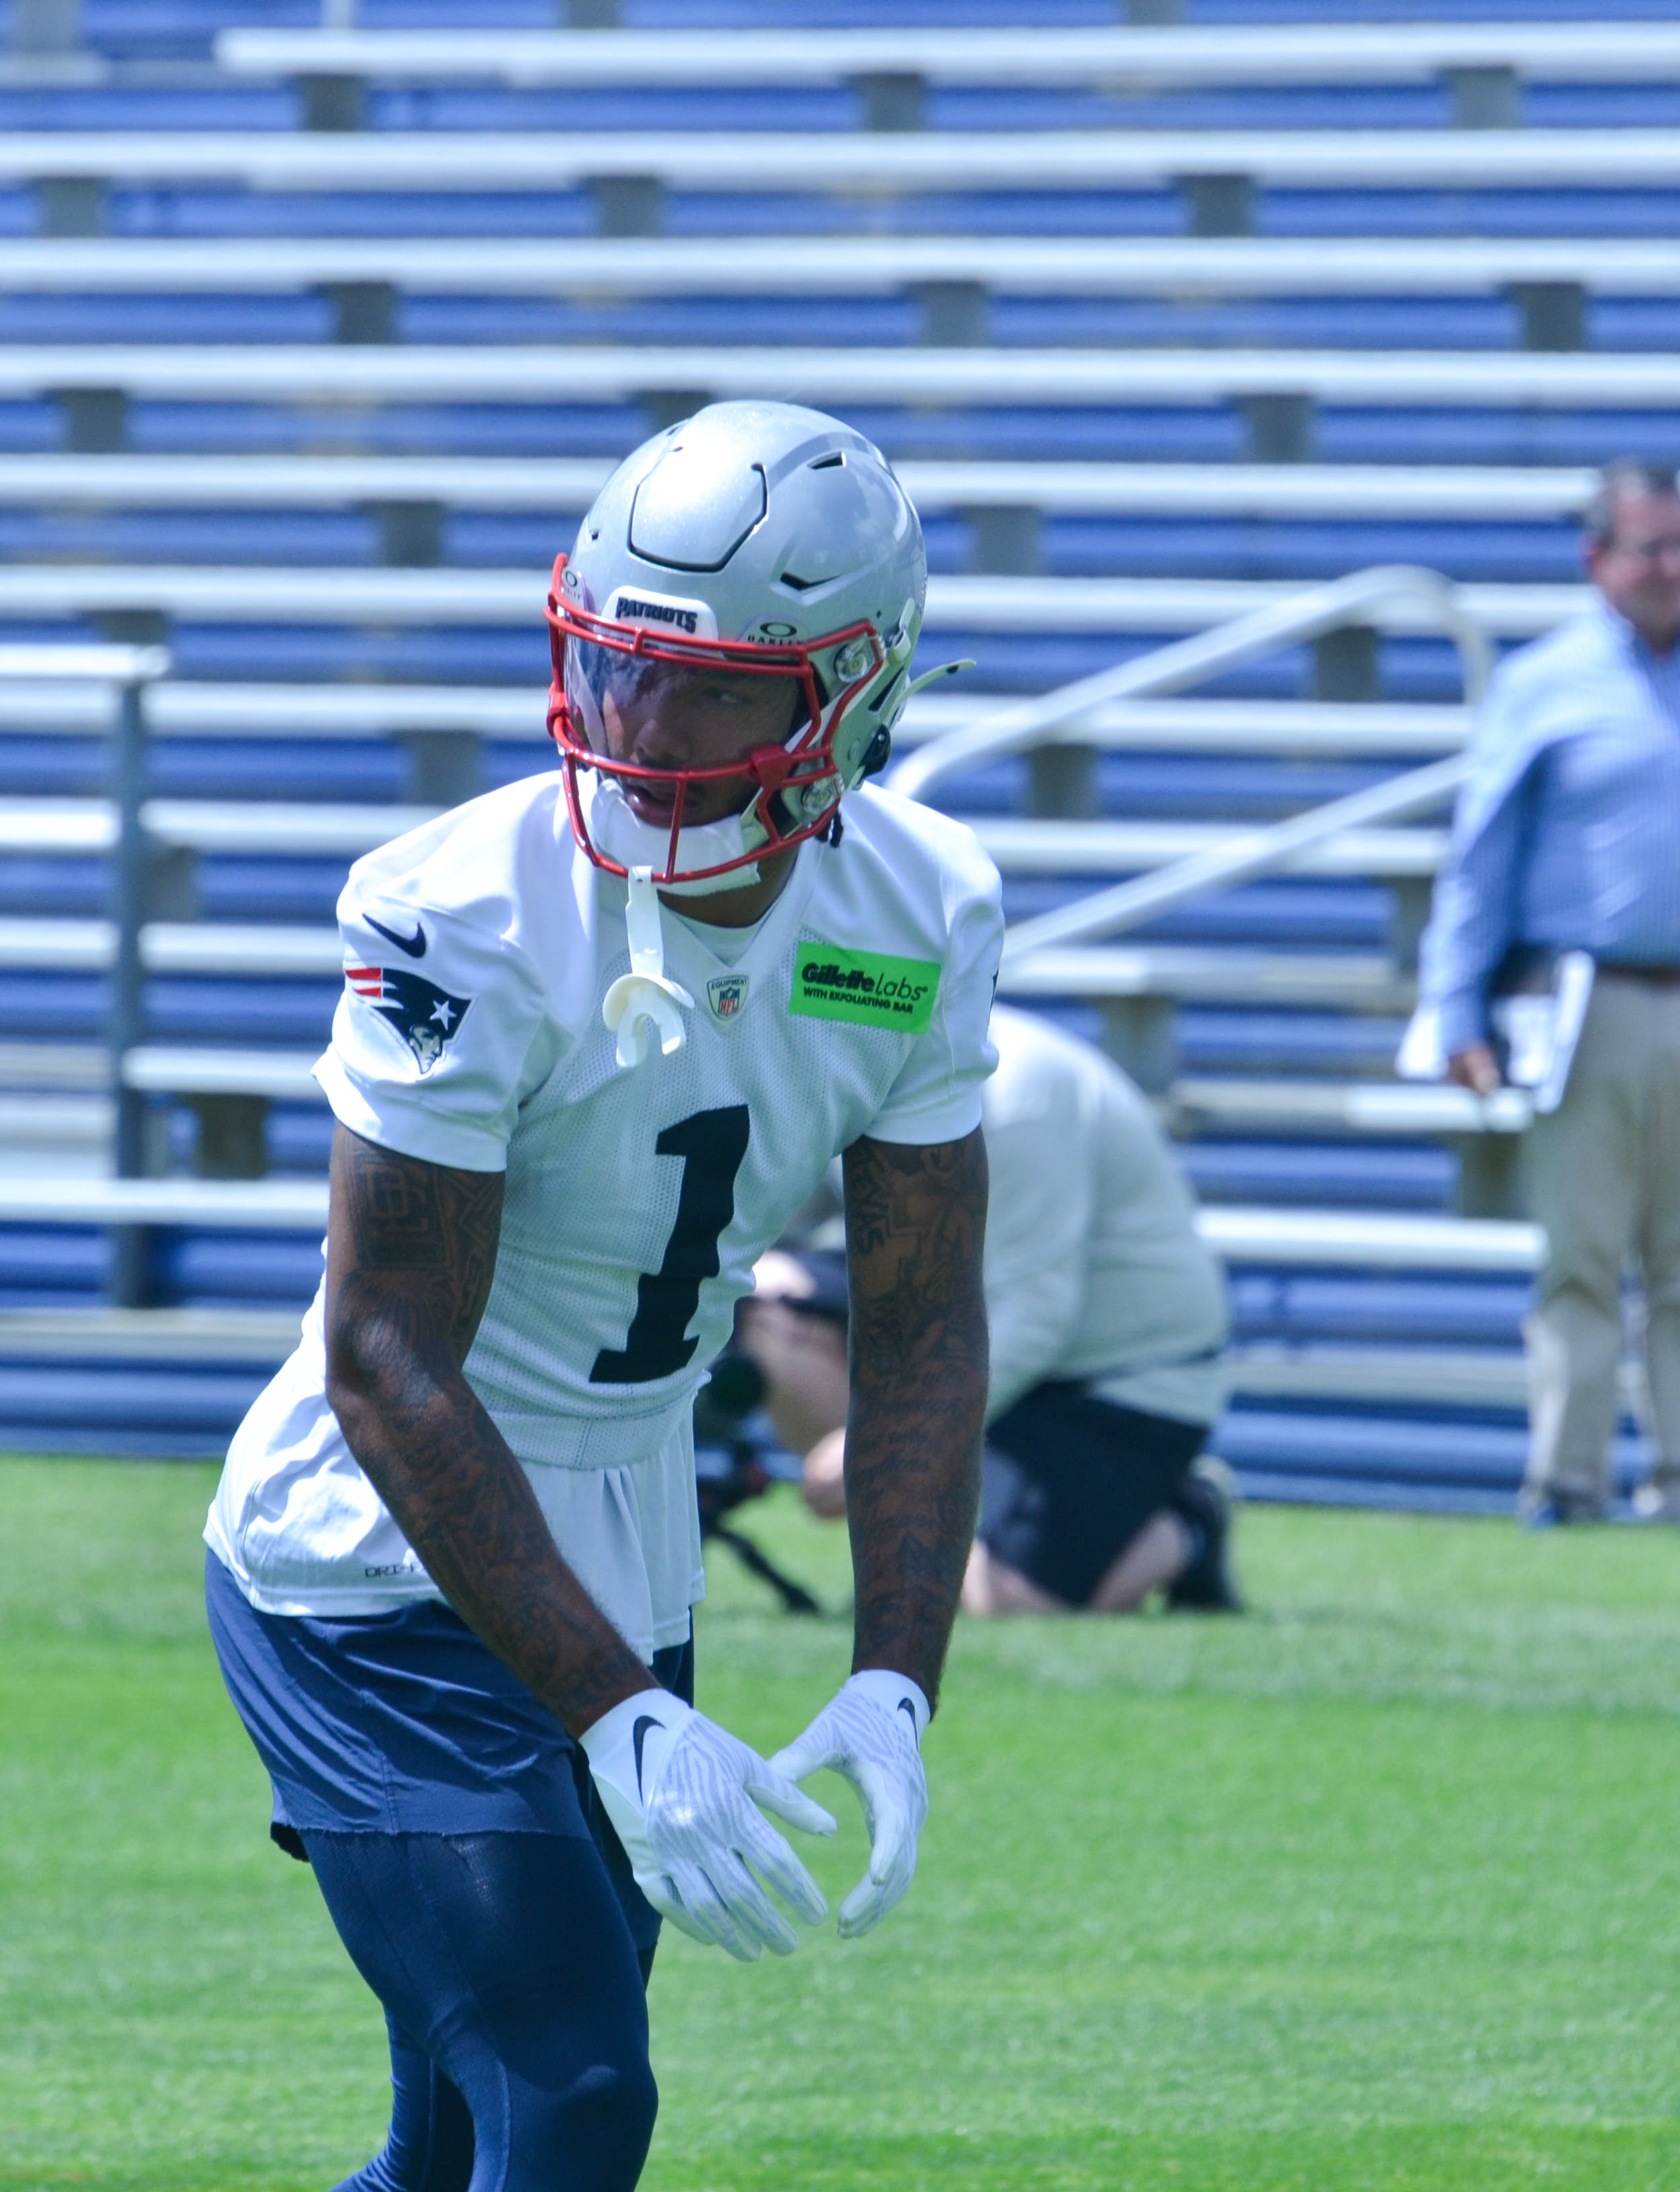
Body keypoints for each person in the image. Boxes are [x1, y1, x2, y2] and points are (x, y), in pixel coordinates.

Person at [200, 401, 1002, 2192]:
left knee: (456, 2146)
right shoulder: (464, 909)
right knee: (569, 2087)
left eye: (711, 689)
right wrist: (618, 1709)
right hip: (377, 1540)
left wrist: (897, 1675)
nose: (640, 730)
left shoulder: (919, 911)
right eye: (617, 666)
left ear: (851, 698)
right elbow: (384, 1353)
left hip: (628, 1526)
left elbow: (923, 1321)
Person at [1417, 461, 1680, 1530]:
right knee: (1582, 1252)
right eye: (1649, 548)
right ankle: (1566, 1480)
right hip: (1584, 1004)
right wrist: (1456, 1009)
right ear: (1597, 559)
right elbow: (1480, 856)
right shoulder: (1545, 681)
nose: (1671, 568)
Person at [739, 1005, 1242, 1615]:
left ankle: (1193, 1520)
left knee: (998, 1601)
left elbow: (1036, 1316)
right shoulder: (835, 1064)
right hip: (958, 1333)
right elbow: (779, 1226)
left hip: (1119, 1380)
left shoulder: (1021, 1092)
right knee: (758, 1300)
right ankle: (907, 1539)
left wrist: (888, 1437)